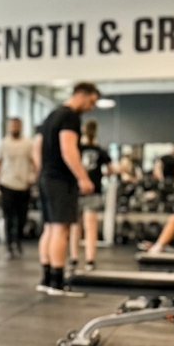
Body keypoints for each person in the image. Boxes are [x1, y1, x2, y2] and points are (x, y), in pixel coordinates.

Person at [33, 82, 99, 296]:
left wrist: (42, 171)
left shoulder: (52, 115)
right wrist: (83, 178)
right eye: (91, 101)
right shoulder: (70, 116)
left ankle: (46, 279)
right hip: (60, 180)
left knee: (50, 228)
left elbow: (36, 147)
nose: (91, 107)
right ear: (82, 94)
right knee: (61, 229)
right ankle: (57, 282)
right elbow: (68, 149)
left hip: (46, 177)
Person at [0, 116, 34, 259]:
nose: (14, 128)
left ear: (20, 127)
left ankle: (18, 241)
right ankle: (9, 246)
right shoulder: (3, 144)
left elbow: (34, 162)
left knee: (21, 218)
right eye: (12, 126)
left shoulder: (28, 144)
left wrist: (34, 176)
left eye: (16, 126)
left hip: (23, 185)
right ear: (8, 127)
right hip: (7, 184)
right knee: (8, 217)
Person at [70, 119, 112, 272]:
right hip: (93, 190)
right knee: (90, 227)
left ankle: (74, 259)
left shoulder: (76, 149)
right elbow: (111, 169)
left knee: (75, 227)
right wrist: (99, 174)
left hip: (76, 190)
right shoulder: (99, 150)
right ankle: (90, 260)